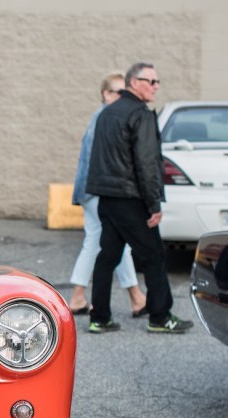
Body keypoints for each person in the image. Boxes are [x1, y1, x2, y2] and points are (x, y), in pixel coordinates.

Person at [86, 62, 192, 334]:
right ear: (134, 82)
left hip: (107, 199)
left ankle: (100, 317)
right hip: (132, 200)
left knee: (107, 256)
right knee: (154, 256)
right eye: (151, 81)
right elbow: (146, 163)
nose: (156, 86)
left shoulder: (107, 114)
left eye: (158, 81)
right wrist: (154, 204)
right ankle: (160, 317)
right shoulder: (140, 114)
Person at [67, 73, 146, 317]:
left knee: (96, 241)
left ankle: (79, 296)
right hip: (99, 190)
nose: (124, 98)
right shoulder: (105, 118)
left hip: (91, 190)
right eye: (118, 92)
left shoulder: (101, 117)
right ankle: (136, 298)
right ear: (106, 94)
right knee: (115, 241)